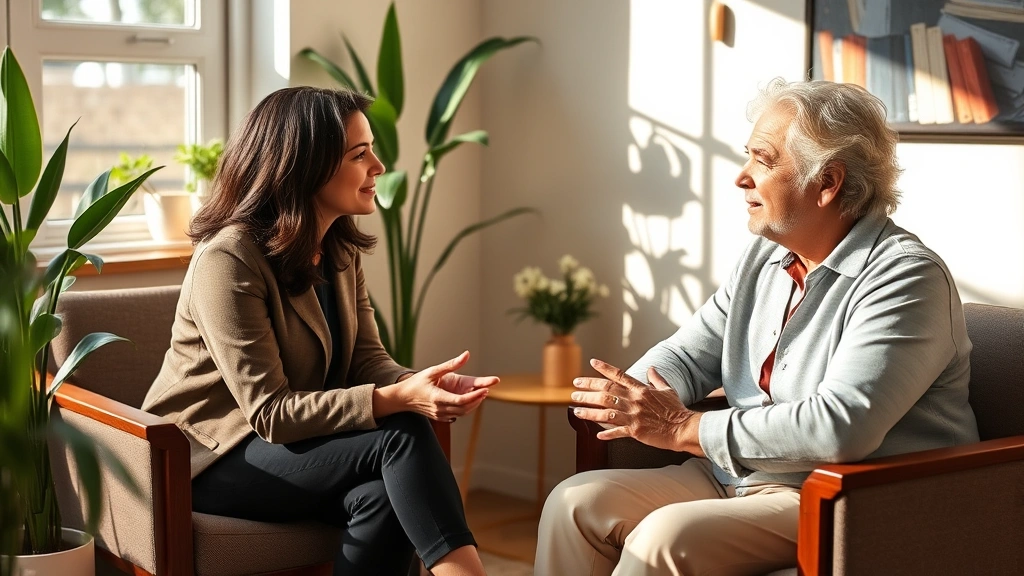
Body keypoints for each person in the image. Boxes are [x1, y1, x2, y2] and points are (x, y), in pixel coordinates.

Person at [536, 79, 980, 576]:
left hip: (850, 493)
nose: (741, 177)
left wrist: (685, 427)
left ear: (827, 183)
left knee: (663, 540)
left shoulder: (906, 278)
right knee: (575, 503)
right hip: (741, 475)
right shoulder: (767, 257)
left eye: (763, 161)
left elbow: (840, 428)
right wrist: (631, 396)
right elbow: (689, 354)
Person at [142, 86, 494, 576]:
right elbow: (270, 412)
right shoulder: (228, 259)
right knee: (400, 434)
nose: (378, 166)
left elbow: (368, 362)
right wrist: (398, 400)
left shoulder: (338, 250)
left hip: (291, 444)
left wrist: (419, 382)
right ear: (303, 166)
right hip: (208, 458)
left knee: (383, 496)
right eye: (360, 153)